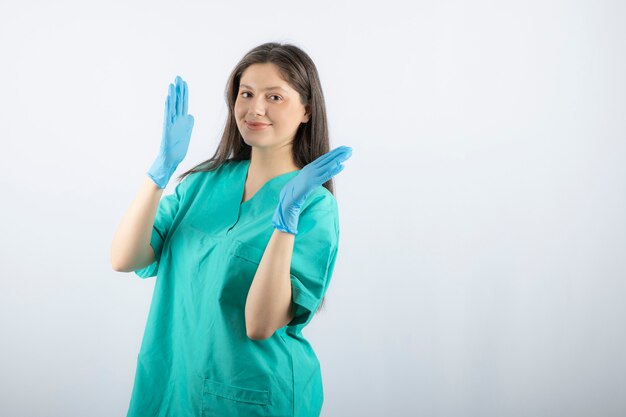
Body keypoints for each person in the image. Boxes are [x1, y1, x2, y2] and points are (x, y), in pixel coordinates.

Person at [110, 42, 352, 417]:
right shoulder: (202, 185)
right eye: (246, 94)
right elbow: (124, 258)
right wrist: (158, 174)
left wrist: (285, 221)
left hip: (255, 395)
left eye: (274, 96)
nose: (256, 109)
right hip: (173, 385)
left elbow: (259, 324)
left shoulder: (315, 208)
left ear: (306, 109)